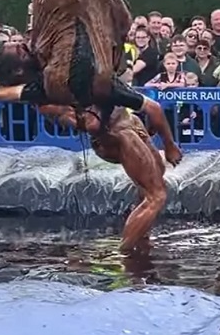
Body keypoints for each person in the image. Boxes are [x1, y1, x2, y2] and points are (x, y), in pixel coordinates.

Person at [0, 0, 181, 166]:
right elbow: (0, 92)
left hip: (77, 65)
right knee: (83, 14)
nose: (22, 46)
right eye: (19, 51)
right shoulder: (48, 83)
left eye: (18, 46)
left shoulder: (40, 81)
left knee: (42, 4)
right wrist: (169, 145)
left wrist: (169, 145)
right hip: (83, 64)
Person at [35, 103, 168, 253]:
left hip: (130, 124)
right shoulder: (66, 98)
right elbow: (86, 124)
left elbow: (150, 106)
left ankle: (141, 234)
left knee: (157, 173)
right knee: (156, 196)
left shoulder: (108, 90)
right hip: (119, 136)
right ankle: (126, 250)